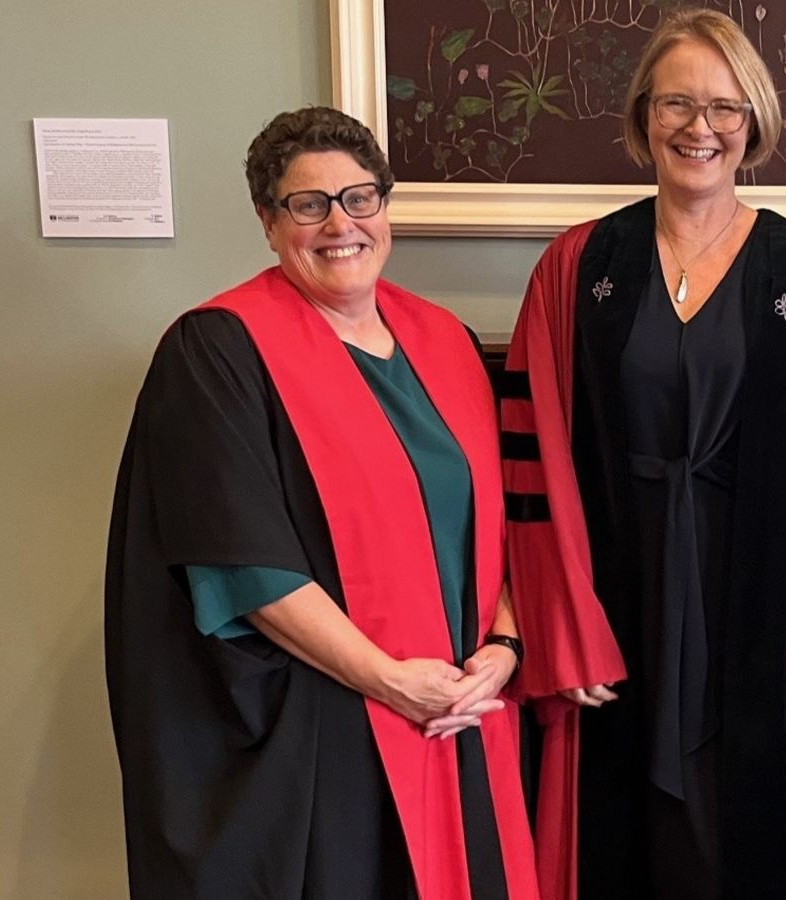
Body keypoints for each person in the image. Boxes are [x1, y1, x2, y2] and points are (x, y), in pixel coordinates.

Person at [496, 9, 786, 899]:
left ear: (753, 122)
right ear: (644, 116)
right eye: (675, 103)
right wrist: (566, 630)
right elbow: (536, 460)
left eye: (723, 107)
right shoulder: (578, 268)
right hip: (615, 598)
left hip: (755, 613)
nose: (699, 127)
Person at [105, 106, 539, 900]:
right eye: (308, 205)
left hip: (463, 711)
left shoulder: (446, 342)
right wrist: (389, 681)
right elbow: (241, 566)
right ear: (269, 222)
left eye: (359, 198)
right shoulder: (219, 350)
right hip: (331, 723)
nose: (340, 224)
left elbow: (502, 528)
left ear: (384, 205)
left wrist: (504, 648)